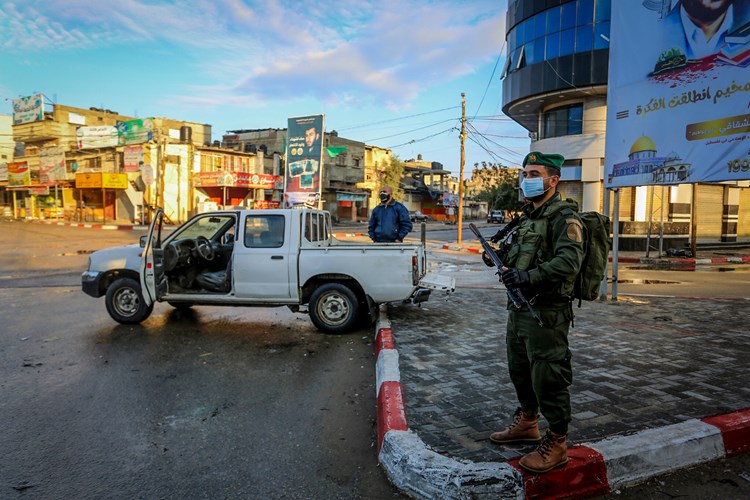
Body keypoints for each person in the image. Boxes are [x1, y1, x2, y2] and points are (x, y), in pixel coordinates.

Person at [482, 151, 584, 474]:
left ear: (554, 180)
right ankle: (527, 422)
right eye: (525, 173)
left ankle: (557, 442)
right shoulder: (529, 216)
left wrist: (527, 277)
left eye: (534, 173)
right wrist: (500, 256)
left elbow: (568, 263)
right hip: (519, 308)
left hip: (547, 313)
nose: (527, 180)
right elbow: (520, 253)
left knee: (548, 376)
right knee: (520, 369)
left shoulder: (564, 218)